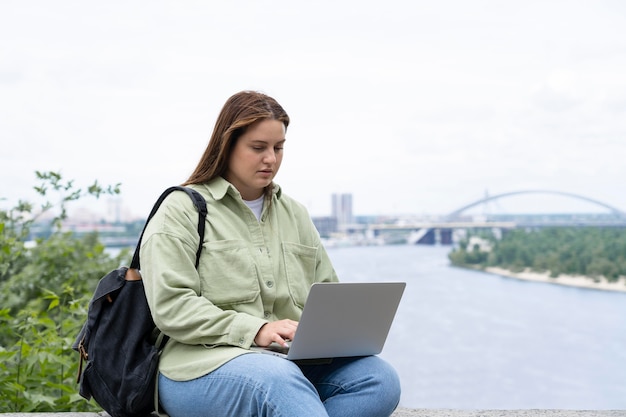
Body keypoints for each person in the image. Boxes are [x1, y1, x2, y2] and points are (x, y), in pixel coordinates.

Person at [140, 90, 401, 417]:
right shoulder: (180, 211)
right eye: (258, 148)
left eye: (278, 148)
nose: (271, 159)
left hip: (287, 362)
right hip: (199, 366)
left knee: (379, 379)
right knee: (279, 383)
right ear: (227, 144)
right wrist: (255, 330)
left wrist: (338, 331)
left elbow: (327, 294)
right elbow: (171, 307)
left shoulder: (296, 215)